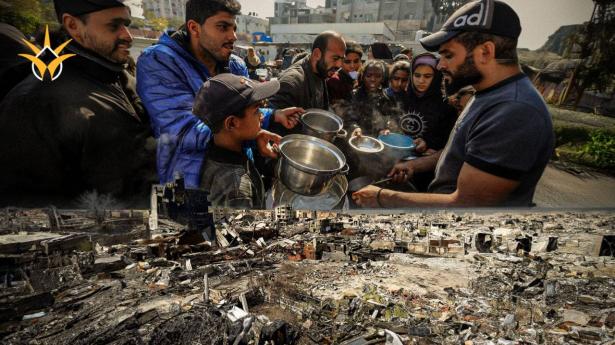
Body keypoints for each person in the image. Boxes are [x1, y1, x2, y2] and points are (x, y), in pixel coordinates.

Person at [353, 0, 554, 208]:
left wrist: (382, 197)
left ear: (485, 52)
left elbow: (468, 205)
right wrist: (414, 165)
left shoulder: (514, 112)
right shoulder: (486, 94)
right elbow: (460, 154)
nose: (441, 65)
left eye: (448, 55)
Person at [0, 0, 156, 207]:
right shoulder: (37, 101)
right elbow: (25, 205)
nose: (127, 36)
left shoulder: (123, 79)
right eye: (113, 26)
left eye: (126, 24)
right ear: (73, 25)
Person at [137, 0, 302, 188]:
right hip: (192, 181)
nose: (233, 36)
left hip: (237, 170)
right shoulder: (159, 61)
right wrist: (255, 135)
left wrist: (272, 116)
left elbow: (238, 112)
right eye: (222, 27)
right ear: (194, 28)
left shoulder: (234, 64)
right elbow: (181, 130)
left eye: (233, 28)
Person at [196, 74, 279, 209]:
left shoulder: (217, 146)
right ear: (232, 123)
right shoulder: (237, 192)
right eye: (256, 110)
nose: (262, 116)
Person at [268, 31, 346, 112]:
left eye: (342, 59)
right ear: (317, 54)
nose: (339, 65)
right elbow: (272, 117)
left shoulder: (320, 71)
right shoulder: (292, 81)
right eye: (335, 58)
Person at [397, 53, 457, 154]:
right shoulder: (401, 98)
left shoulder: (445, 106)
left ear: (436, 77)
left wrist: (428, 143)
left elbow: (448, 139)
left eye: (427, 76)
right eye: (417, 75)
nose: (421, 81)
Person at [345, 60, 399, 137]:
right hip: (359, 138)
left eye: (378, 76)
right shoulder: (354, 95)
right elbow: (348, 119)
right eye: (369, 76)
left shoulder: (387, 98)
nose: (373, 79)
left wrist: (387, 129)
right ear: (363, 77)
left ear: (383, 78)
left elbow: (392, 119)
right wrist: (355, 128)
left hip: (380, 142)